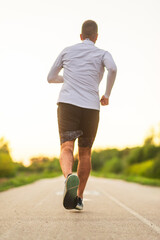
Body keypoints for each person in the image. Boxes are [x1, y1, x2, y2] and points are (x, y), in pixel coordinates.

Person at [47, 20, 117, 210]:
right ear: (96, 37)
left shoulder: (67, 50)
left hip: (68, 104)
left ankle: (69, 176)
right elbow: (112, 68)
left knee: (67, 147)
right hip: (91, 107)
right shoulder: (102, 53)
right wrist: (107, 95)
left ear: (80, 36)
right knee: (85, 152)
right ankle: (78, 198)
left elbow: (50, 77)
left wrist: (69, 77)